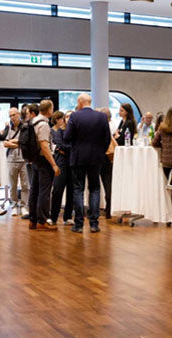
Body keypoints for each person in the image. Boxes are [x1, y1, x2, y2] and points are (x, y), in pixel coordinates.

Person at [64, 93, 111, 233]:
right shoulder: (102, 117)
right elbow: (107, 138)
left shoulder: (74, 116)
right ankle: (94, 223)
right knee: (95, 189)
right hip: (96, 158)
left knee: (78, 189)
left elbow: (67, 137)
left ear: (79, 102)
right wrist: (100, 150)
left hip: (78, 157)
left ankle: (78, 224)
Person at [28, 100, 60, 231]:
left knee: (34, 190)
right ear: (50, 110)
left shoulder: (32, 122)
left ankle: (33, 220)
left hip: (35, 159)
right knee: (44, 191)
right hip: (43, 160)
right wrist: (54, 164)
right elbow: (45, 146)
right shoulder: (44, 125)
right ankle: (42, 220)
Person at [2, 107, 29, 217]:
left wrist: (12, 142)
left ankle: (23, 206)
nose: (12, 117)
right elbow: (4, 143)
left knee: (24, 184)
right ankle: (13, 205)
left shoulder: (25, 127)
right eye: (10, 116)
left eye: (14, 115)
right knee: (12, 185)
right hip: (11, 160)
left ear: (18, 114)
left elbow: (25, 142)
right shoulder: (8, 128)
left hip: (23, 159)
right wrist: (18, 143)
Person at [49, 110, 73, 225]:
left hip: (73, 164)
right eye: (66, 116)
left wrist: (67, 149)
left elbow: (75, 146)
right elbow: (59, 144)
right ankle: (53, 217)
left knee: (71, 191)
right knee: (57, 190)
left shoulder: (75, 132)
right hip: (61, 163)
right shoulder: (59, 131)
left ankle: (68, 217)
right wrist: (70, 148)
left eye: (70, 116)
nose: (68, 118)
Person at [99, 107, 114, 219]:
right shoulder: (112, 125)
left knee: (95, 185)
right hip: (108, 157)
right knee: (108, 183)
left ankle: (95, 210)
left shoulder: (101, 126)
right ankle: (109, 209)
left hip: (99, 156)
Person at [152, 107, 172, 179]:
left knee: (170, 183)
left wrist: (164, 145)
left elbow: (154, 142)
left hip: (166, 161)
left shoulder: (162, 128)